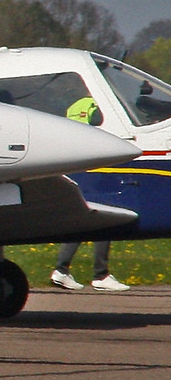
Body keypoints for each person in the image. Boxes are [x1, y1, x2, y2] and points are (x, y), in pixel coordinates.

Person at [51, 95, 130, 292]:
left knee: (82, 222)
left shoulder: (76, 104)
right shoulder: (98, 105)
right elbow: (99, 123)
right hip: (93, 167)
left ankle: (61, 270)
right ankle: (100, 275)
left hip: (78, 165)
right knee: (106, 219)